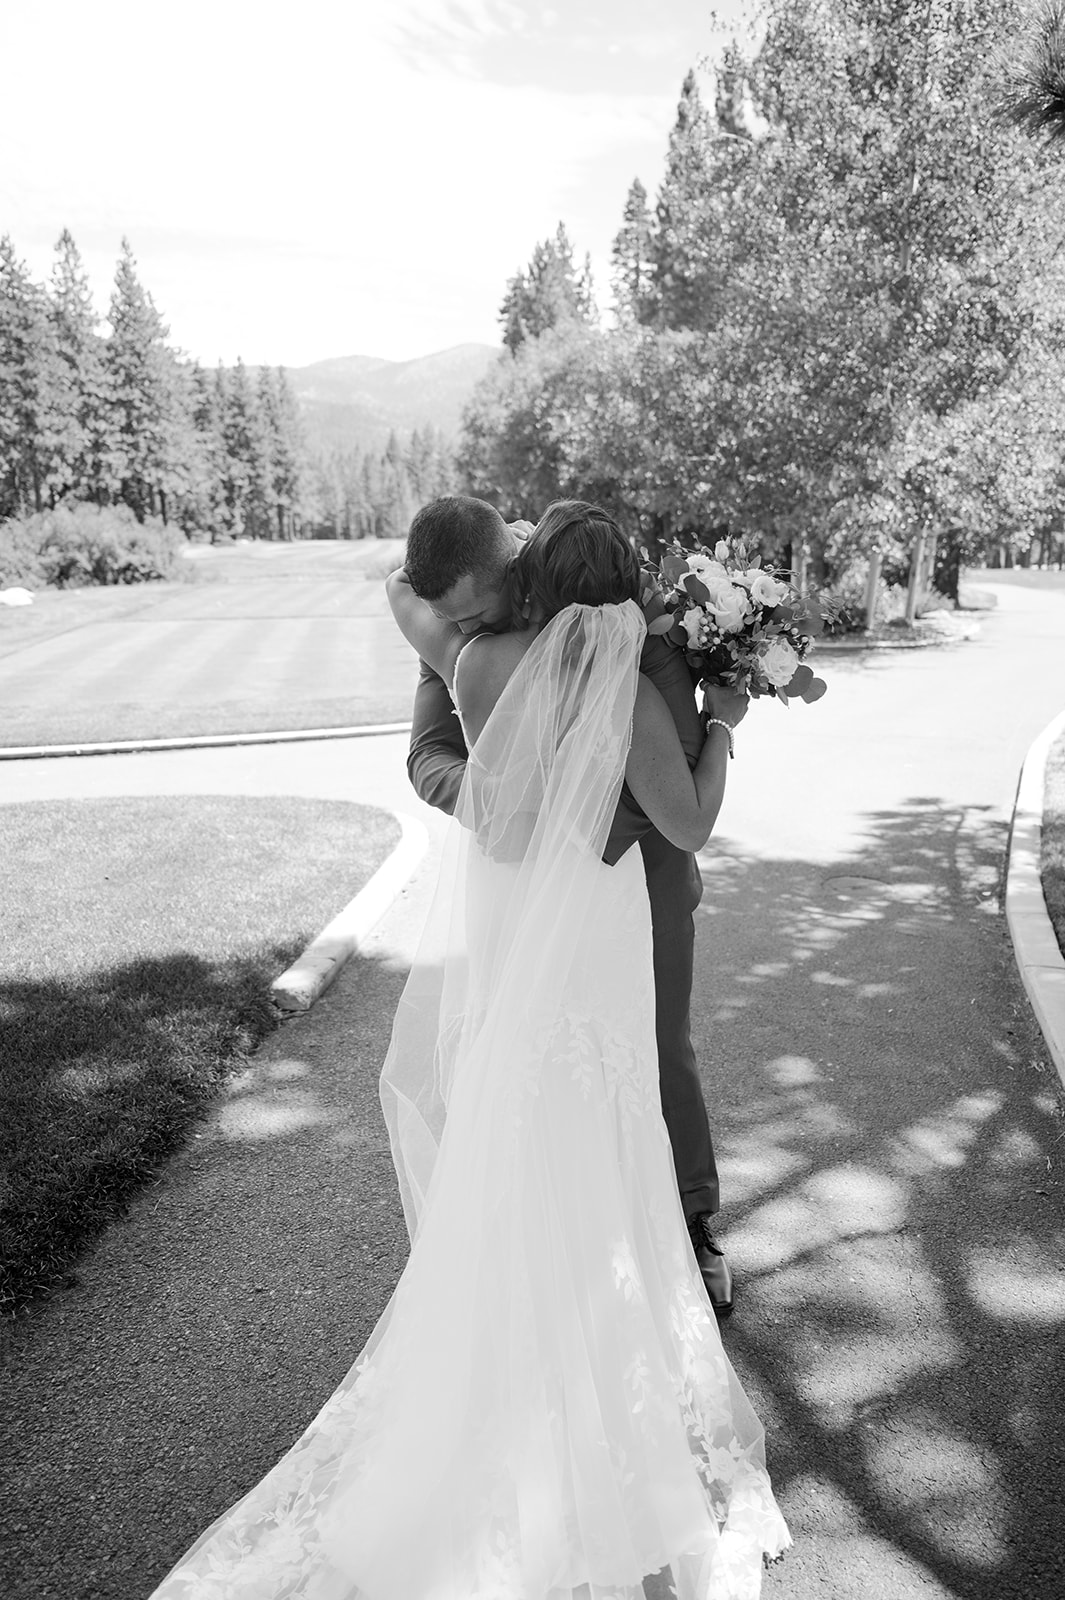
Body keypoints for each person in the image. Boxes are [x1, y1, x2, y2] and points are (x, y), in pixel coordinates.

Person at [146, 507, 789, 1599]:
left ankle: (512, 1373)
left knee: (522, 1133)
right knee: (608, 1135)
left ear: (531, 580)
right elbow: (683, 827)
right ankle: (609, 1383)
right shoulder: (628, 678)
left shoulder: (477, 657)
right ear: (626, 589)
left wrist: (446, 599)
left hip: (520, 944)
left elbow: (411, 607)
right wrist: (721, 720)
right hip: (592, 937)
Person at [401, 496, 735, 1318]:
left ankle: (681, 1223)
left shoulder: (621, 658)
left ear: (523, 577)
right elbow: (427, 754)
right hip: (547, 888)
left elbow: (409, 609)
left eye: (475, 608)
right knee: (559, 1056)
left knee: (642, 1053)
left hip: (631, 882)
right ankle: (585, 1240)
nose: (467, 622)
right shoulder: (491, 649)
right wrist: (495, 803)